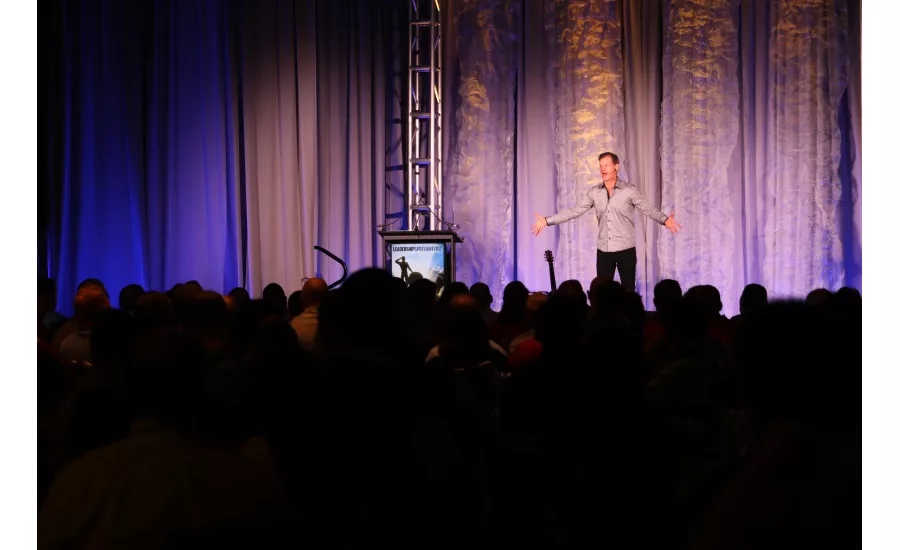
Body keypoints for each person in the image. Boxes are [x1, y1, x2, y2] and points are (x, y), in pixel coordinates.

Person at [531, 152, 681, 292]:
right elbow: (574, 211)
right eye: (601, 166)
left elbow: (647, 208)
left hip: (625, 250)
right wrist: (547, 221)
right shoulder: (594, 192)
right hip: (604, 251)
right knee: (602, 292)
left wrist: (665, 220)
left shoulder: (629, 190)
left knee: (628, 292)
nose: (603, 169)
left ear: (616, 167)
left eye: (606, 165)